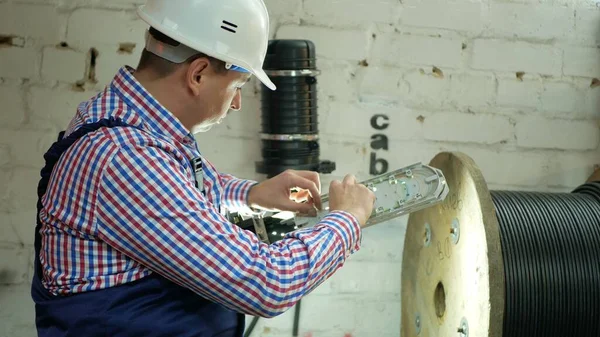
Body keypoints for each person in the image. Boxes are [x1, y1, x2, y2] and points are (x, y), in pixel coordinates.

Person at [31, 0, 376, 336]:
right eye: (238, 86)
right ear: (197, 74)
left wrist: (252, 194)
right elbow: (266, 282)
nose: (238, 102)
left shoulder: (131, 120)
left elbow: (181, 192)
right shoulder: (123, 157)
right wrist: (347, 220)